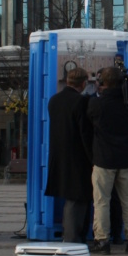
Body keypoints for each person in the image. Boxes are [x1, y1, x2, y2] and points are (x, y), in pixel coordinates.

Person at [84, 65, 128, 254]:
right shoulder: (127, 104)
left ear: (102, 82)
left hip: (103, 159)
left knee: (101, 201)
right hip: (125, 159)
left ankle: (102, 240)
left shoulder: (96, 104)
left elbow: (89, 119)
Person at [44, 67, 93, 244]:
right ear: (83, 83)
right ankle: (72, 238)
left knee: (71, 197)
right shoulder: (81, 102)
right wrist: (93, 157)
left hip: (58, 155)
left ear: (67, 81)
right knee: (77, 198)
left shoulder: (54, 100)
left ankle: (72, 236)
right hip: (77, 157)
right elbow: (85, 132)